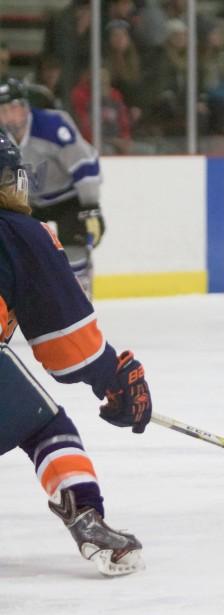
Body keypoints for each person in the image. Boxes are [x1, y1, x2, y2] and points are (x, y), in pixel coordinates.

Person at [0, 130, 152, 575]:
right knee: (45, 426)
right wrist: (112, 376)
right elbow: (67, 347)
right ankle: (86, 516)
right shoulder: (17, 232)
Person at [0, 77, 105, 299]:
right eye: (3, 110)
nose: (9, 115)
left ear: (26, 106)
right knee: (17, 254)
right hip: (27, 203)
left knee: (74, 251)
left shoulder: (52, 125)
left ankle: (80, 302)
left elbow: (84, 164)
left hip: (68, 198)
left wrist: (91, 206)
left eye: (14, 107)